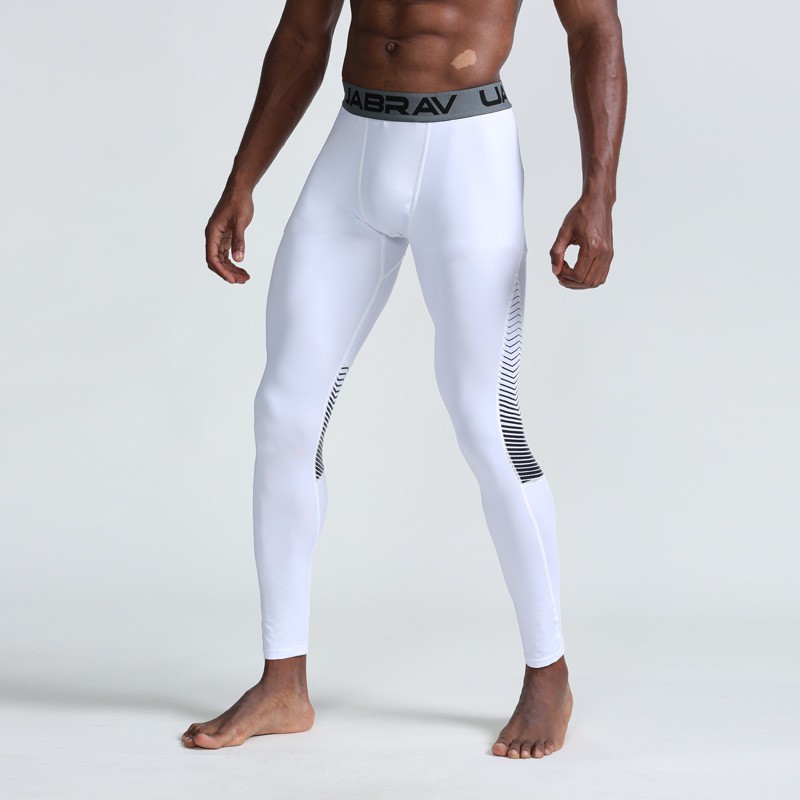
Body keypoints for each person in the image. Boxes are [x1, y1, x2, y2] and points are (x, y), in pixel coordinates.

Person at [181, 0, 627, 758]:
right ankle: (283, 681)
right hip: (355, 149)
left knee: (486, 422)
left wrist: (599, 195)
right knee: (284, 413)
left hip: (468, 157)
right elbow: (305, 30)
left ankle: (548, 673)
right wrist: (243, 176)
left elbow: (594, 31)